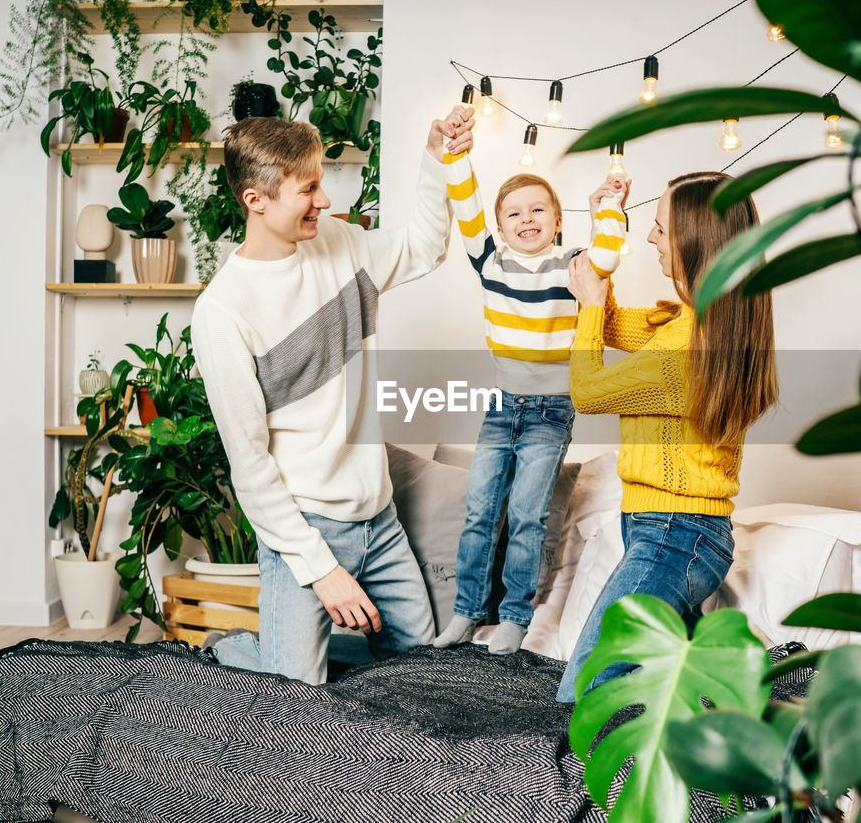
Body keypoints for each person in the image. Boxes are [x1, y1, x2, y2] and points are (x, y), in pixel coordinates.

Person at [190, 110, 471, 684]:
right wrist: (322, 570)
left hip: (381, 519)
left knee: (423, 674)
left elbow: (423, 247)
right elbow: (251, 468)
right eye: (309, 188)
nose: (325, 200)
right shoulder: (222, 313)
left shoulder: (341, 246)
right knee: (299, 698)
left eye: (321, 181)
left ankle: (287, 650)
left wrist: (435, 155)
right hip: (305, 530)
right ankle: (242, 651)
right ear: (256, 199)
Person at [555, 171, 779, 702]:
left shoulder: (684, 350)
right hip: (672, 533)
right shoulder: (699, 323)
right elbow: (612, 327)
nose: (652, 240)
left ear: (695, 243)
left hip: (674, 536)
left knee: (586, 689)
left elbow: (587, 390)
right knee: (651, 685)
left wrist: (588, 304)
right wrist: (605, 231)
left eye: (659, 229)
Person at [431, 105, 627, 654]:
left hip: (548, 412)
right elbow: (464, 202)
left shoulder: (572, 264)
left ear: (558, 220)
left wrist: (607, 206)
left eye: (538, 209)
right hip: (501, 407)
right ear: (499, 226)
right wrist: (456, 155)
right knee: (480, 510)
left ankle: (515, 614)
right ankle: (467, 611)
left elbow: (608, 255)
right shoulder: (489, 260)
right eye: (513, 213)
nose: (526, 219)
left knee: (525, 516)